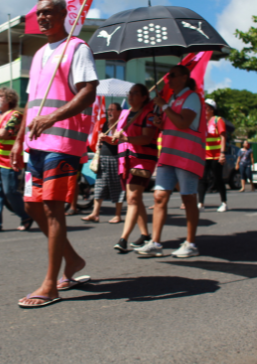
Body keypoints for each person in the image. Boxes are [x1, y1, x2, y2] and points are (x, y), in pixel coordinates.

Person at [11, 0, 99, 308]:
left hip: (62, 143)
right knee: (32, 206)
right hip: (35, 144)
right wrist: (19, 139)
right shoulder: (38, 55)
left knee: (52, 207)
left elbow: (89, 92)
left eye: (48, 12)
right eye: (39, 14)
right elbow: (31, 103)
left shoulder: (77, 48)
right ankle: (73, 259)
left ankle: (51, 284)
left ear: (63, 14)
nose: (43, 18)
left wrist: (53, 118)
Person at [136, 65, 204, 258]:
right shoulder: (172, 99)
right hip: (168, 155)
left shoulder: (192, 97)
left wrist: (165, 106)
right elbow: (172, 124)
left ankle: (190, 243)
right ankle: (155, 242)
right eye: (167, 76)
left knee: (188, 197)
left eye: (172, 76)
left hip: (187, 155)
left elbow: (183, 123)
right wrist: (160, 121)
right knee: (159, 196)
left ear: (184, 77)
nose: (168, 80)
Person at [113, 84, 159, 252]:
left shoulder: (149, 114)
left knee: (132, 199)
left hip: (143, 160)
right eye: (129, 93)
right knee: (135, 198)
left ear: (144, 97)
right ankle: (146, 235)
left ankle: (123, 239)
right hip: (125, 160)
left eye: (135, 93)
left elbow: (146, 139)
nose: (130, 96)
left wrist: (126, 139)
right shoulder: (124, 114)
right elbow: (120, 137)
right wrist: (109, 139)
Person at [0, 87, 32, 232]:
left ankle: (26, 216)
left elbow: (5, 134)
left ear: (10, 99)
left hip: (9, 160)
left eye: (1, 96)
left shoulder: (16, 115)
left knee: (10, 192)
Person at [82, 103, 125, 223]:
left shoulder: (120, 124)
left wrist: (106, 138)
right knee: (99, 186)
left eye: (112, 109)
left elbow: (117, 141)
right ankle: (95, 213)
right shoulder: (106, 124)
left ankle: (118, 214)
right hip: (103, 157)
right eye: (108, 109)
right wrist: (98, 143)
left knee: (116, 186)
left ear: (118, 112)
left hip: (115, 158)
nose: (109, 112)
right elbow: (101, 139)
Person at [198, 98, 228, 212]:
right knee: (202, 179)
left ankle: (224, 203)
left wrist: (222, 154)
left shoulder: (217, 120)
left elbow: (223, 136)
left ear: (212, 109)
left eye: (206, 107)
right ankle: (200, 203)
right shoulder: (202, 121)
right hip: (204, 155)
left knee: (218, 179)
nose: (204, 109)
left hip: (216, 156)